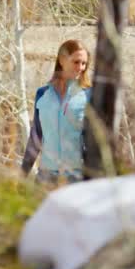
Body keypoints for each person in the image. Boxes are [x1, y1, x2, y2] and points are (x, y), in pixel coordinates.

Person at [21, 39, 92, 184]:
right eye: (76, 62)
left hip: (76, 178)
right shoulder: (43, 94)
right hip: (45, 177)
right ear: (62, 60)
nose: (81, 67)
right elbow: (36, 137)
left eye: (84, 63)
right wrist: (22, 174)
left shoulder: (88, 95)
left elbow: (95, 141)